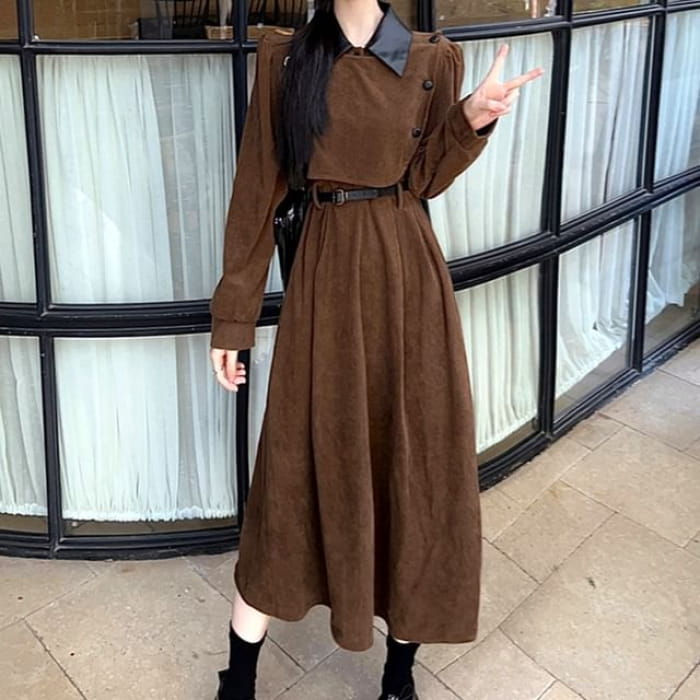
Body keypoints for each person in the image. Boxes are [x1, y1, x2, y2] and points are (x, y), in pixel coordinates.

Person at [208, 1, 544, 698]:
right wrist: (233, 319)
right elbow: (257, 192)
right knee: (291, 469)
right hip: (323, 281)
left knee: (412, 466)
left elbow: (424, 179)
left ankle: (398, 675)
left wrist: (471, 118)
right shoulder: (286, 59)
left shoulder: (433, 58)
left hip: (406, 280)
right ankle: (238, 682)